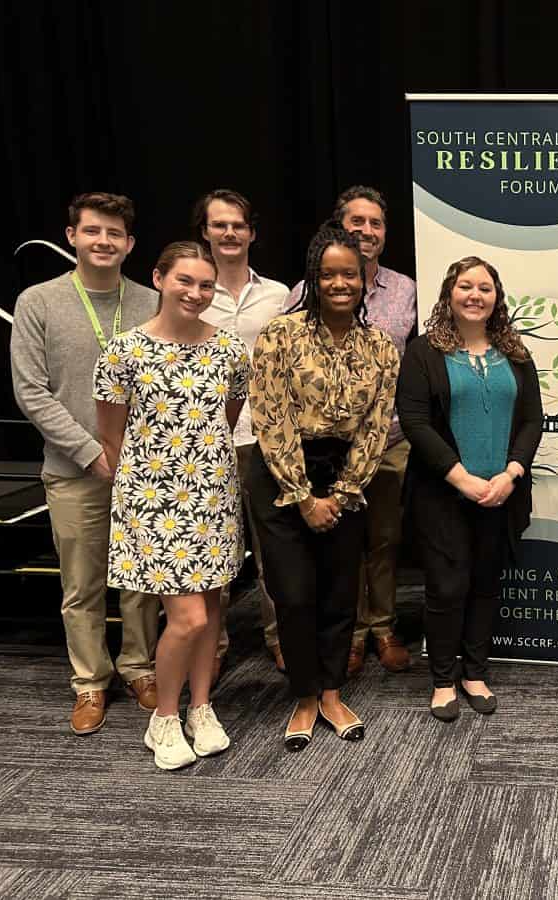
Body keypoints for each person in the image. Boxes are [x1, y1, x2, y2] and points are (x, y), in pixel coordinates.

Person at [93, 241, 249, 770]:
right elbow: (111, 435)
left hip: (213, 493)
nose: (196, 293)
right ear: (159, 278)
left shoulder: (229, 349)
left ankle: (201, 707)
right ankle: (163, 716)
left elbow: (224, 421)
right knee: (184, 617)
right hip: (154, 501)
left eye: (206, 285)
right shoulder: (124, 351)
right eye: (185, 280)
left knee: (210, 611)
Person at [10, 192, 160, 736]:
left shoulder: (150, 302)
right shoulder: (39, 302)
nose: (104, 241)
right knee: (81, 584)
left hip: (143, 472)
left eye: (114, 234)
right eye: (93, 231)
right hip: (74, 471)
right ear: (72, 235)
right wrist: (91, 451)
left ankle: (140, 668)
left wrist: (139, 455)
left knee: (142, 580)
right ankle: (90, 682)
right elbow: (31, 392)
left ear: (130, 244)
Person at [248, 223, 398, 751]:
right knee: (293, 593)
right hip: (282, 475)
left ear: (363, 279)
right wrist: (304, 496)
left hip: (347, 478)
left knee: (340, 591)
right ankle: (304, 696)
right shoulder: (278, 335)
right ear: (313, 278)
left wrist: (343, 489)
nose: (340, 283)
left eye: (350, 274)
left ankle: (332, 692)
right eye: (328, 273)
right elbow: (270, 417)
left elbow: (377, 426)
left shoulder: (380, 347)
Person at [397, 256, 543, 722]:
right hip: (443, 493)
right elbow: (416, 422)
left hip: (502, 492)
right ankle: (443, 680)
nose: (475, 295)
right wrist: (461, 477)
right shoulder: (424, 352)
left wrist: (511, 473)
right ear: (449, 294)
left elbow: (531, 420)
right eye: (465, 286)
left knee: (485, 583)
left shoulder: (516, 355)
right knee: (445, 586)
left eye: (484, 287)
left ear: (497, 297)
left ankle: (474, 673)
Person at [290, 186, 418, 678]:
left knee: (384, 539)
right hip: (328, 448)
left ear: (385, 233)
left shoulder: (404, 289)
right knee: (341, 543)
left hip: (389, 441)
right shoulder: (304, 291)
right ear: (339, 227)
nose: (367, 231)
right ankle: (350, 633)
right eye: (356, 222)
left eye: (376, 223)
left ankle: (383, 627)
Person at [193, 188, 290, 678]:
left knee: (274, 549)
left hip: (266, 439)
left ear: (252, 233)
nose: (229, 233)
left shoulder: (279, 295)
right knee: (213, 550)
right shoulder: (190, 292)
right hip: (203, 443)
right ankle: (214, 644)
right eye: (219, 225)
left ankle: (280, 638)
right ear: (205, 232)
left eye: (238, 225)